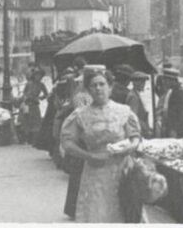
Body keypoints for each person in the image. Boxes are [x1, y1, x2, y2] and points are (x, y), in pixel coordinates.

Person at [60, 70, 142, 222]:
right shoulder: (80, 114)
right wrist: (88, 156)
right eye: (93, 85)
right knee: (97, 213)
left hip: (122, 170)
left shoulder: (123, 111)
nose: (98, 88)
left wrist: (129, 148)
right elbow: (67, 143)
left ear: (110, 87)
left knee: (123, 213)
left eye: (102, 84)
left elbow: (135, 137)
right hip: (95, 171)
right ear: (88, 90)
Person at [62, 65, 98, 219]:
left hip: (88, 136)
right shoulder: (80, 96)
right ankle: (74, 208)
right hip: (82, 137)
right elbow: (82, 116)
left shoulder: (88, 94)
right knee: (79, 174)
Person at [110, 64, 151, 138]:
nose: (143, 85)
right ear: (136, 83)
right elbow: (133, 116)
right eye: (142, 82)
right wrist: (144, 128)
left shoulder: (134, 94)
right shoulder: (133, 96)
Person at [160, 68, 183, 139]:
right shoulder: (176, 91)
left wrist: (174, 132)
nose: (164, 82)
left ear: (172, 80)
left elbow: (182, 116)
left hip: (180, 133)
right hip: (179, 132)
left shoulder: (179, 93)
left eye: (166, 80)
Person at [21, 69, 49, 144]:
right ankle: (26, 139)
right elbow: (24, 93)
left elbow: (46, 94)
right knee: (27, 122)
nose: (39, 77)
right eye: (37, 75)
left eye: (40, 76)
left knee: (36, 122)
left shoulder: (41, 85)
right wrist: (25, 100)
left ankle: (34, 140)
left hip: (35, 104)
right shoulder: (29, 84)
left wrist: (40, 98)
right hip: (28, 104)